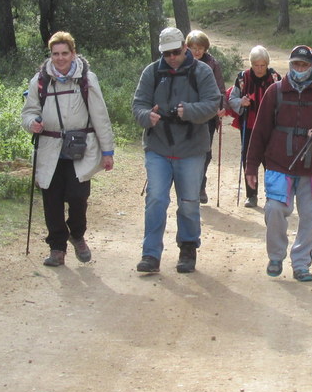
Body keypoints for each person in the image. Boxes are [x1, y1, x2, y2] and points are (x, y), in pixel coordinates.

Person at [244, 45, 312, 282]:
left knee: (310, 219)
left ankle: (301, 264)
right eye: (296, 64)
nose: (300, 69)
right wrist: (251, 167)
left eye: (304, 65)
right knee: (275, 210)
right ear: (290, 65)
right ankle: (276, 256)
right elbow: (259, 132)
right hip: (279, 164)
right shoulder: (275, 91)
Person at [132, 27, 221, 273]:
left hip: (192, 148)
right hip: (158, 146)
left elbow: (213, 103)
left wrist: (189, 111)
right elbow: (138, 104)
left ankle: (188, 249)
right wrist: (146, 116)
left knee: (189, 202)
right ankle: (150, 254)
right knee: (156, 199)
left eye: (176, 51)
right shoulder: (151, 72)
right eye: (166, 53)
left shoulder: (202, 71)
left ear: (184, 47)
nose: (172, 57)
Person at [21, 31, 115, 267]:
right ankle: (57, 248)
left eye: (65, 53)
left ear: (73, 53)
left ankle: (77, 235)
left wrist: (108, 151)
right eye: (55, 54)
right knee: (51, 199)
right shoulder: (40, 81)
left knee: (78, 196)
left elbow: (100, 116)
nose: (60, 58)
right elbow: (28, 112)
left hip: (81, 149)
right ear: (50, 55)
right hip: (49, 147)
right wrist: (32, 123)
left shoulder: (87, 79)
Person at [226, 45, 281, 207]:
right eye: (256, 65)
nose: (259, 68)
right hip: (249, 126)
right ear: (251, 64)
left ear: (267, 64)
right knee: (249, 159)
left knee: (270, 160)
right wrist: (241, 102)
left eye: (262, 65)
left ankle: (271, 194)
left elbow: (284, 100)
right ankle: (251, 195)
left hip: (271, 128)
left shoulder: (275, 78)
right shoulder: (243, 78)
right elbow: (232, 99)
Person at [185, 30, 227, 204]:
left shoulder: (212, 63)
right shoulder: (182, 62)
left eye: (200, 48)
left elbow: (220, 88)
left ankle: (200, 186)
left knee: (205, 152)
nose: (196, 52)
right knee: (187, 151)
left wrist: (222, 106)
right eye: (193, 48)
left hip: (208, 116)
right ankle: (189, 187)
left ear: (205, 48)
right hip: (186, 114)